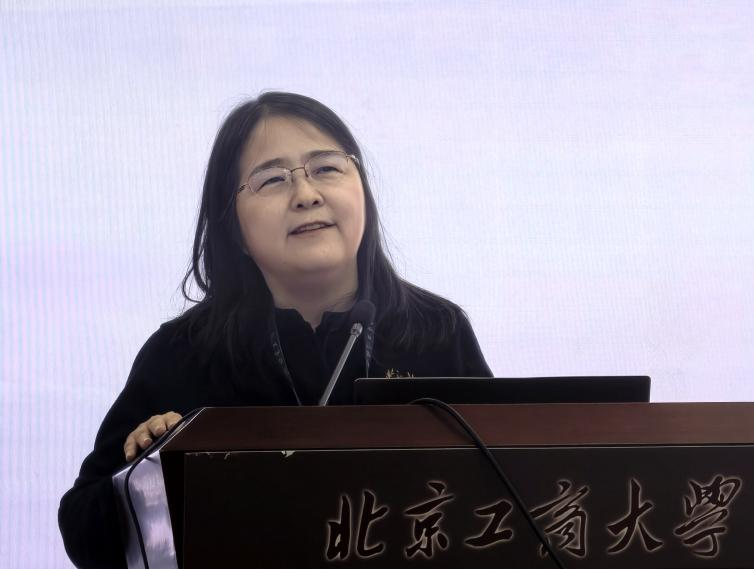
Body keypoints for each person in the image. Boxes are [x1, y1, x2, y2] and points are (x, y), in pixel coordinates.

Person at [58, 92, 492, 569]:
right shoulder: (183, 352)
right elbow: (83, 529)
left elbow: (506, 483)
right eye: (272, 179)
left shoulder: (436, 330)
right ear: (234, 228)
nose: (306, 194)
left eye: (326, 168)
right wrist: (149, 471)